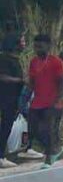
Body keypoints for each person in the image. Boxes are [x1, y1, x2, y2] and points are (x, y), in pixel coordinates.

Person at [27, 33, 63, 166]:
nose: (37, 49)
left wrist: (57, 100)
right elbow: (32, 82)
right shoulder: (33, 62)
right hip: (36, 102)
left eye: (40, 46)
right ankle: (54, 149)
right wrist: (27, 97)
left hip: (52, 102)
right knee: (32, 130)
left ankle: (49, 158)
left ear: (48, 46)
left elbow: (62, 82)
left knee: (46, 130)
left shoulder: (56, 61)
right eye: (36, 46)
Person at [0, 31, 26, 169]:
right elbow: (2, 77)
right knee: (5, 127)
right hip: (5, 98)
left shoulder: (14, 59)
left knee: (7, 126)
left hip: (13, 99)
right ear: (14, 44)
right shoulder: (4, 59)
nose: (24, 44)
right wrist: (19, 81)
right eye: (22, 41)